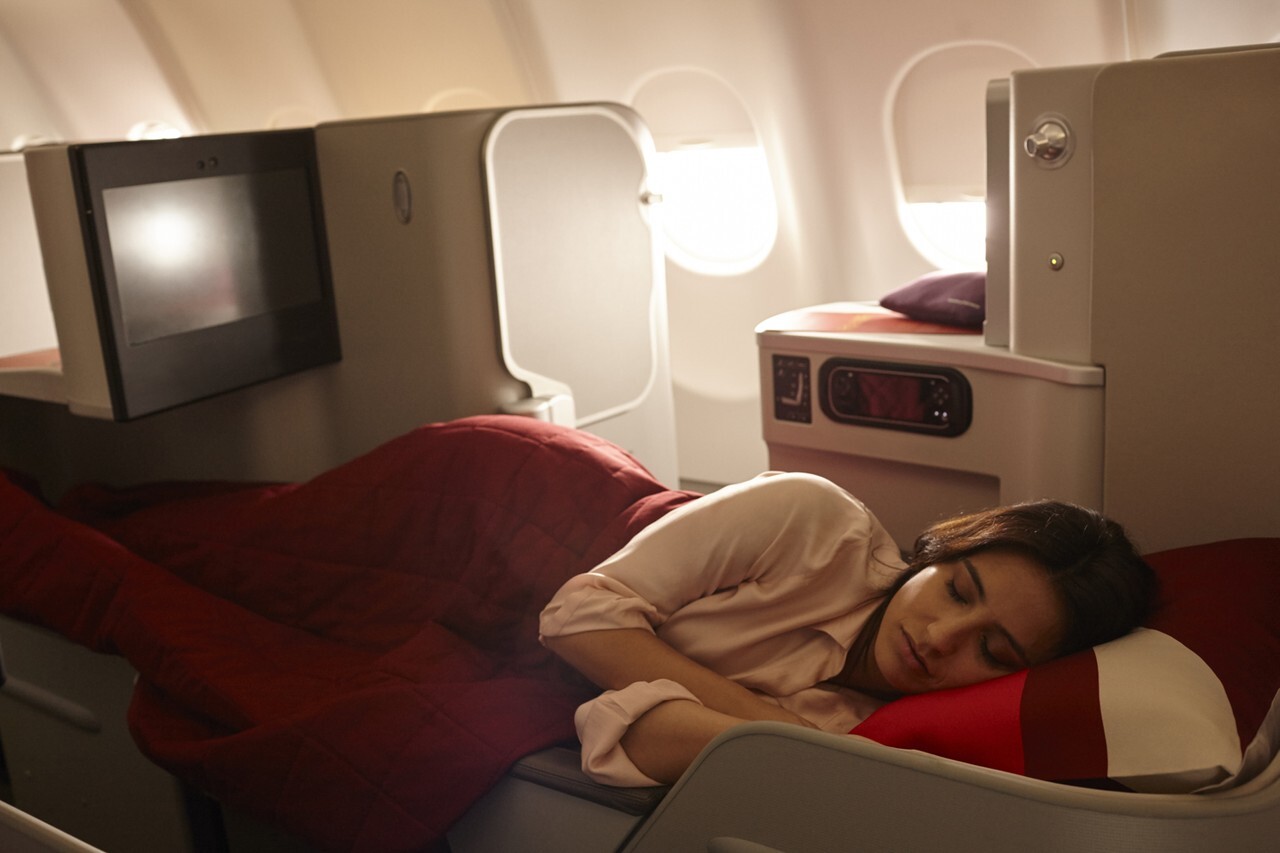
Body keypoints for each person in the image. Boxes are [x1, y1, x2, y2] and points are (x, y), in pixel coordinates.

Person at [539, 471, 1158, 786]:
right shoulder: (812, 521)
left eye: (992, 650)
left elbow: (645, 735)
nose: (941, 637)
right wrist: (789, 734)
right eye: (956, 590)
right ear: (938, 552)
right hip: (564, 519)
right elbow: (578, 615)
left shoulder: (884, 730)